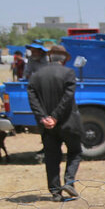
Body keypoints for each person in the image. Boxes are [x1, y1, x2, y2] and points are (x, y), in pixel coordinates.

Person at [27, 43, 83, 201]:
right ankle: (69, 181)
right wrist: (55, 116)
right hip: (67, 123)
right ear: (64, 59)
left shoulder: (36, 76)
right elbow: (67, 98)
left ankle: (55, 193)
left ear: (50, 57)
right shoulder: (68, 73)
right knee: (75, 152)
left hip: (46, 126)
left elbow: (33, 99)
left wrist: (43, 117)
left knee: (51, 157)